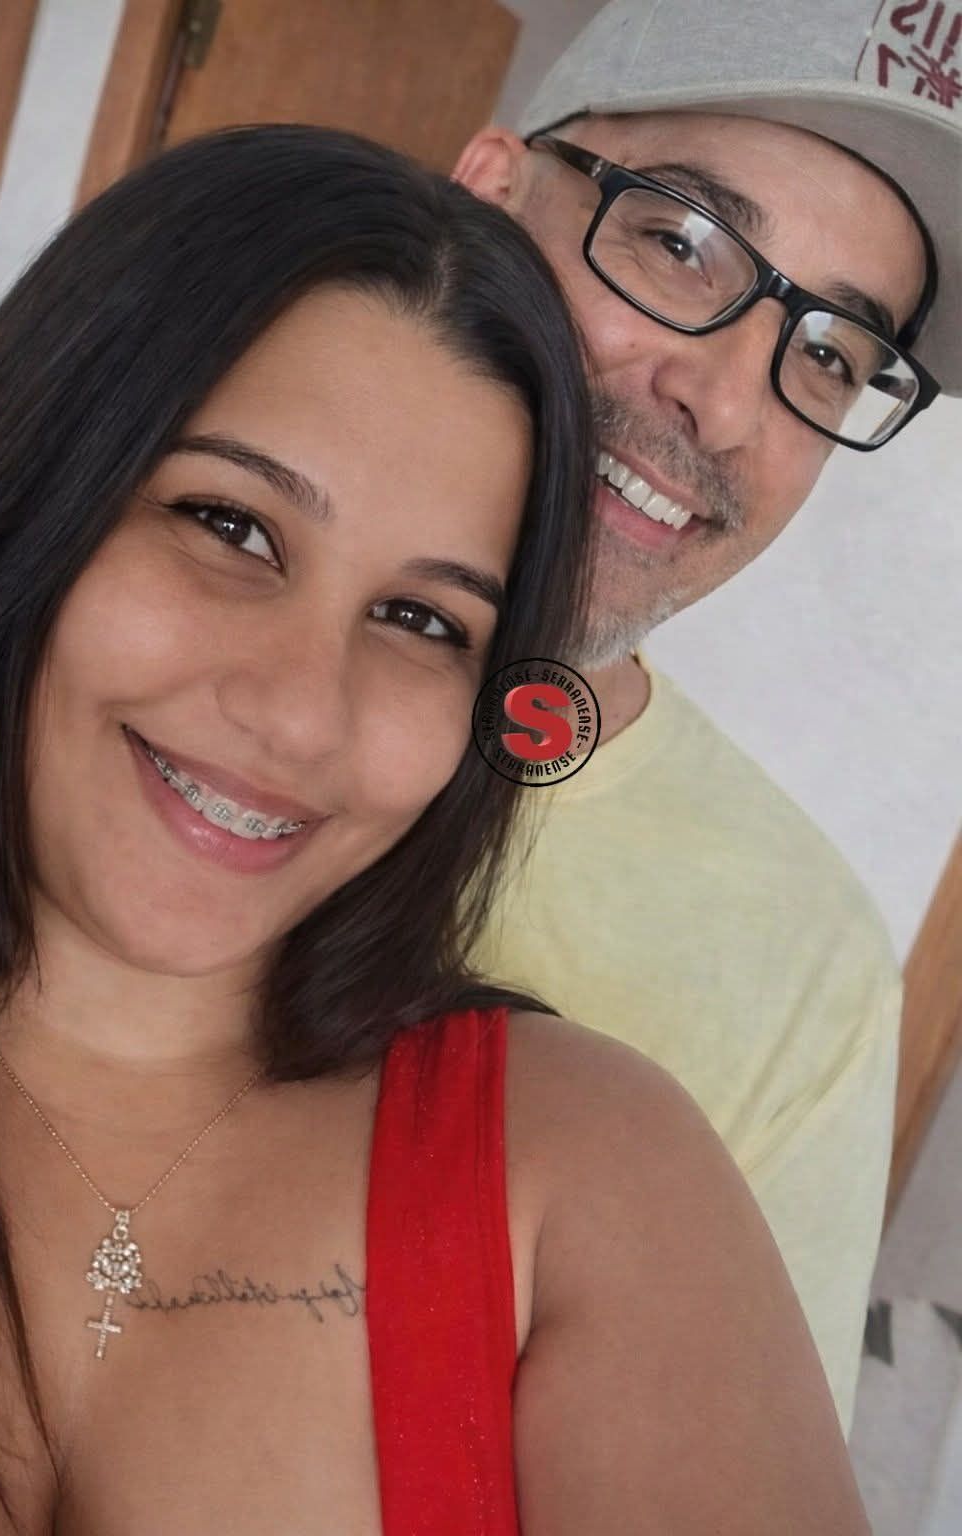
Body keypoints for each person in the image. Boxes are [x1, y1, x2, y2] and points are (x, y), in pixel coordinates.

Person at [0, 124, 870, 1533]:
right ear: (35, 487)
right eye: (231, 527)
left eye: (424, 620)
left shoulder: (587, 1169)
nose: (300, 716)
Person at [456, 0, 961, 1433]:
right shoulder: (112, 624)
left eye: (833, 354)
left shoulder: (807, 971)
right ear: (489, 193)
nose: (729, 406)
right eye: (683, 242)